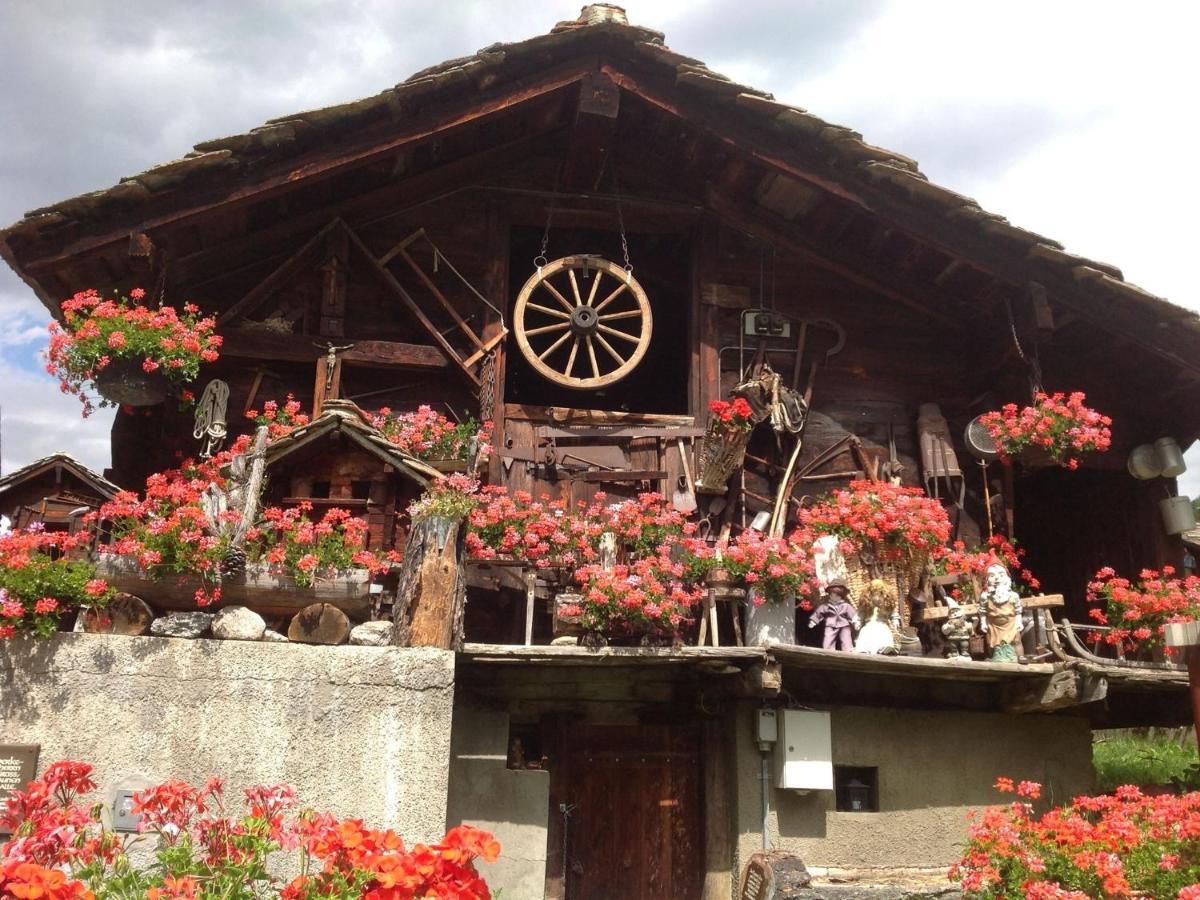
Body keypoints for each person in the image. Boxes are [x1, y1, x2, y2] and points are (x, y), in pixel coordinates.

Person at [979, 563, 1022, 662]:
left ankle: (1020, 657)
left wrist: (1019, 622)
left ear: (1007, 578)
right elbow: (983, 611)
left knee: (1016, 640)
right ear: (987, 580)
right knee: (991, 641)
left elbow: (1018, 610)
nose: (997, 579)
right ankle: (994, 658)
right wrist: (983, 623)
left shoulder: (1013, 595)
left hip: (1011, 623)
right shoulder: (985, 596)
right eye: (992, 576)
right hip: (993, 624)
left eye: (1001, 575)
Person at [810, 579, 859, 651]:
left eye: (837, 596)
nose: (834, 598)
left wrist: (856, 622)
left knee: (846, 637)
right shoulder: (826, 606)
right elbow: (819, 612)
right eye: (832, 596)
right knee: (828, 637)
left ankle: (848, 649)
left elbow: (853, 615)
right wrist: (814, 621)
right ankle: (828, 649)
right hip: (831, 624)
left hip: (844, 624)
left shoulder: (846, 606)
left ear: (842, 596)